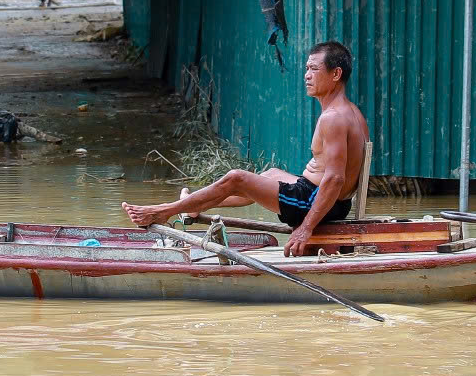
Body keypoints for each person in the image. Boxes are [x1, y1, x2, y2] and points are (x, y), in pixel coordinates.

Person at [124, 41, 370, 256]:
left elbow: (335, 178)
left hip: (312, 203)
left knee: (237, 178)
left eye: (314, 69)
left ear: (336, 74)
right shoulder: (352, 112)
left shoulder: (333, 118)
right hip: (325, 198)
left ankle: (164, 211)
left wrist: (305, 228)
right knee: (269, 174)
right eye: (306, 68)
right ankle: (195, 205)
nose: (306, 75)